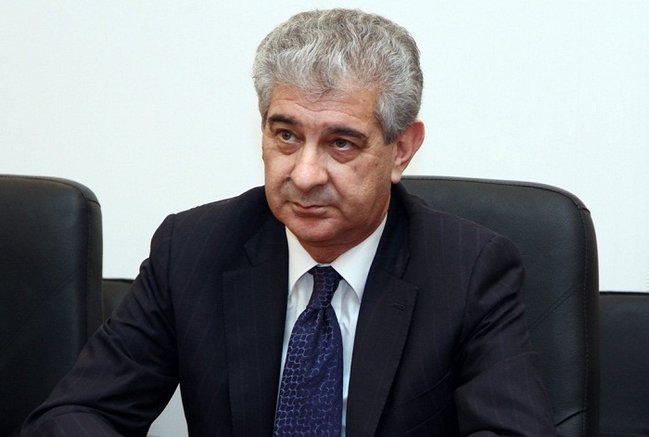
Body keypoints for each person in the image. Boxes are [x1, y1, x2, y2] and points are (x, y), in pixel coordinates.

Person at [22, 8, 555, 436]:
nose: (304, 174)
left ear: (402, 150)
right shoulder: (193, 250)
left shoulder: (468, 269)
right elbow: (76, 413)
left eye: (341, 143)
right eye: (286, 136)